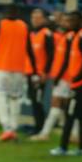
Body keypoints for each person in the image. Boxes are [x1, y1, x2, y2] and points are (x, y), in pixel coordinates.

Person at [0, 6, 36, 142]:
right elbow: (29, 49)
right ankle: (13, 127)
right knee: (15, 99)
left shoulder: (1, 24)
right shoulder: (24, 26)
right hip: (19, 69)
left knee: (1, 98)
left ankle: (7, 128)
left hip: (3, 68)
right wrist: (35, 70)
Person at [50, 12, 82, 156]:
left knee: (70, 113)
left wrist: (77, 78)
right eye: (68, 20)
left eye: (73, 21)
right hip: (78, 81)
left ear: (80, 21)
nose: (69, 23)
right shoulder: (73, 36)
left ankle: (63, 147)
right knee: (81, 115)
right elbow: (69, 60)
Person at [30, 12, 69, 141]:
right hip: (59, 75)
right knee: (62, 105)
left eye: (64, 20)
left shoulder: (72, 37)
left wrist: (52, 75)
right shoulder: (60, 37)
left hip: (67, 76)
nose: (61, 23)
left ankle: (45, 133)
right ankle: (67, 131)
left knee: (59, 104)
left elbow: (65, 59)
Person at [26, 8, 54, 135]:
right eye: (33, 17)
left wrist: (45, 72)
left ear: (43, 19)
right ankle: (37, 125)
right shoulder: (31, 34)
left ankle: (40, 126)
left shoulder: (46, 33)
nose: (35, 20)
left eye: (38, 18)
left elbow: (51, 55)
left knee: (37, 100)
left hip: (40, 73)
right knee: (33, 99)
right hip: (30, 72)